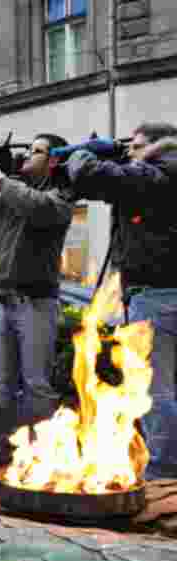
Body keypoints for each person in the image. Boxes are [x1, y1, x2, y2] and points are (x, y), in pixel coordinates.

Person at [59, 123, 177, 479]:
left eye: (137, 146)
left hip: (157, 297)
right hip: (160, 295)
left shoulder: (162, 172)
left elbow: (95, 177)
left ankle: (166, 470)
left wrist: (84, 152)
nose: (130, 152)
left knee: (156, 388)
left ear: (158, 146)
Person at [0, 133, 74, 462]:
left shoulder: (60, 194)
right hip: (0, 299)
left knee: (36, 384)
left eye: (36, 151)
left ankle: (41, 454)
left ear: (54, 160)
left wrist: (2, 181)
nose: (27, 154)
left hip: (35, 301)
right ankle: (3, 449)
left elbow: (39, 209)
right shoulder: (12, 191)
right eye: (28, 149)